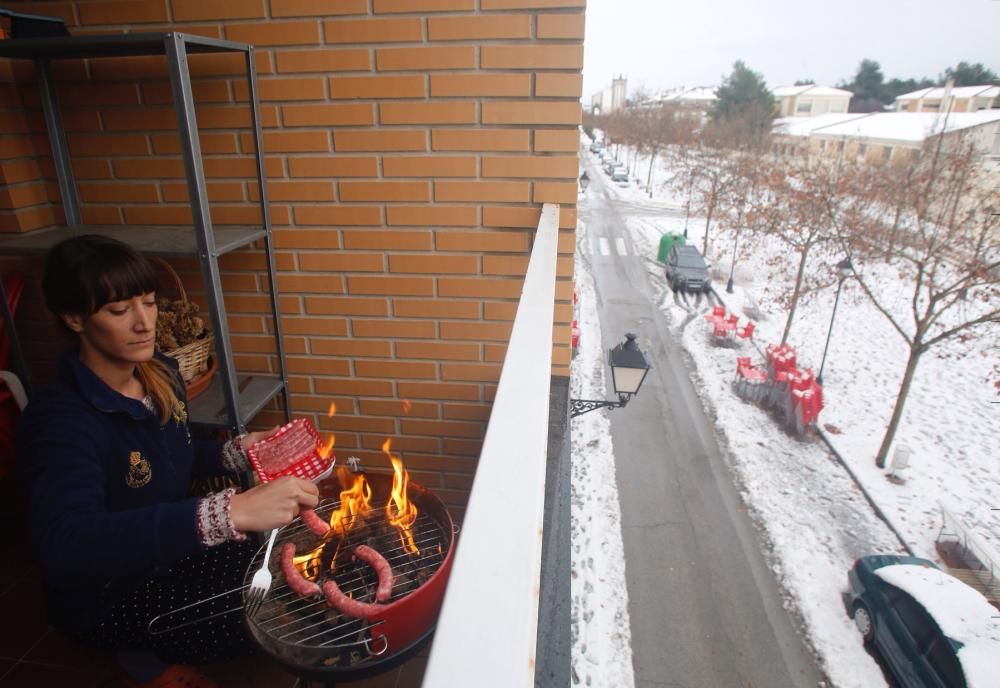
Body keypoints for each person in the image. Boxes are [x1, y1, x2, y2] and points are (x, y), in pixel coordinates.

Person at [17, 235, 319, 688]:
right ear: (74, 318)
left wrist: (239, 451)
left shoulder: (158, 371)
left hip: (166, 553)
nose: (144, 324)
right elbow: (67, 547)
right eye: (119, 311)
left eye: (149, 303)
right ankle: (138, 658)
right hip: (109, 592)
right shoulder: (62, 422)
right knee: (254, 625)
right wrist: (226, 512)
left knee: (277, 568)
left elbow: (174, 455)